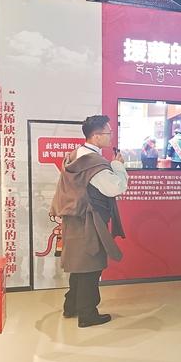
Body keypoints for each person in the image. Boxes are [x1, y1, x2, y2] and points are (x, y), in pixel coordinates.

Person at [50, 115, 128, 328]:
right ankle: (87, 314)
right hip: (90, 221)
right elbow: (115, 187)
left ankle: (71, 306)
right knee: (91, 267)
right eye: (108, 133)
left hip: (74, 218)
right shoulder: (93, 163)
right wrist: (118, 165)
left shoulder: (74, 156)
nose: (111, 136)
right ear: (96, 136)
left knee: (79, 265)